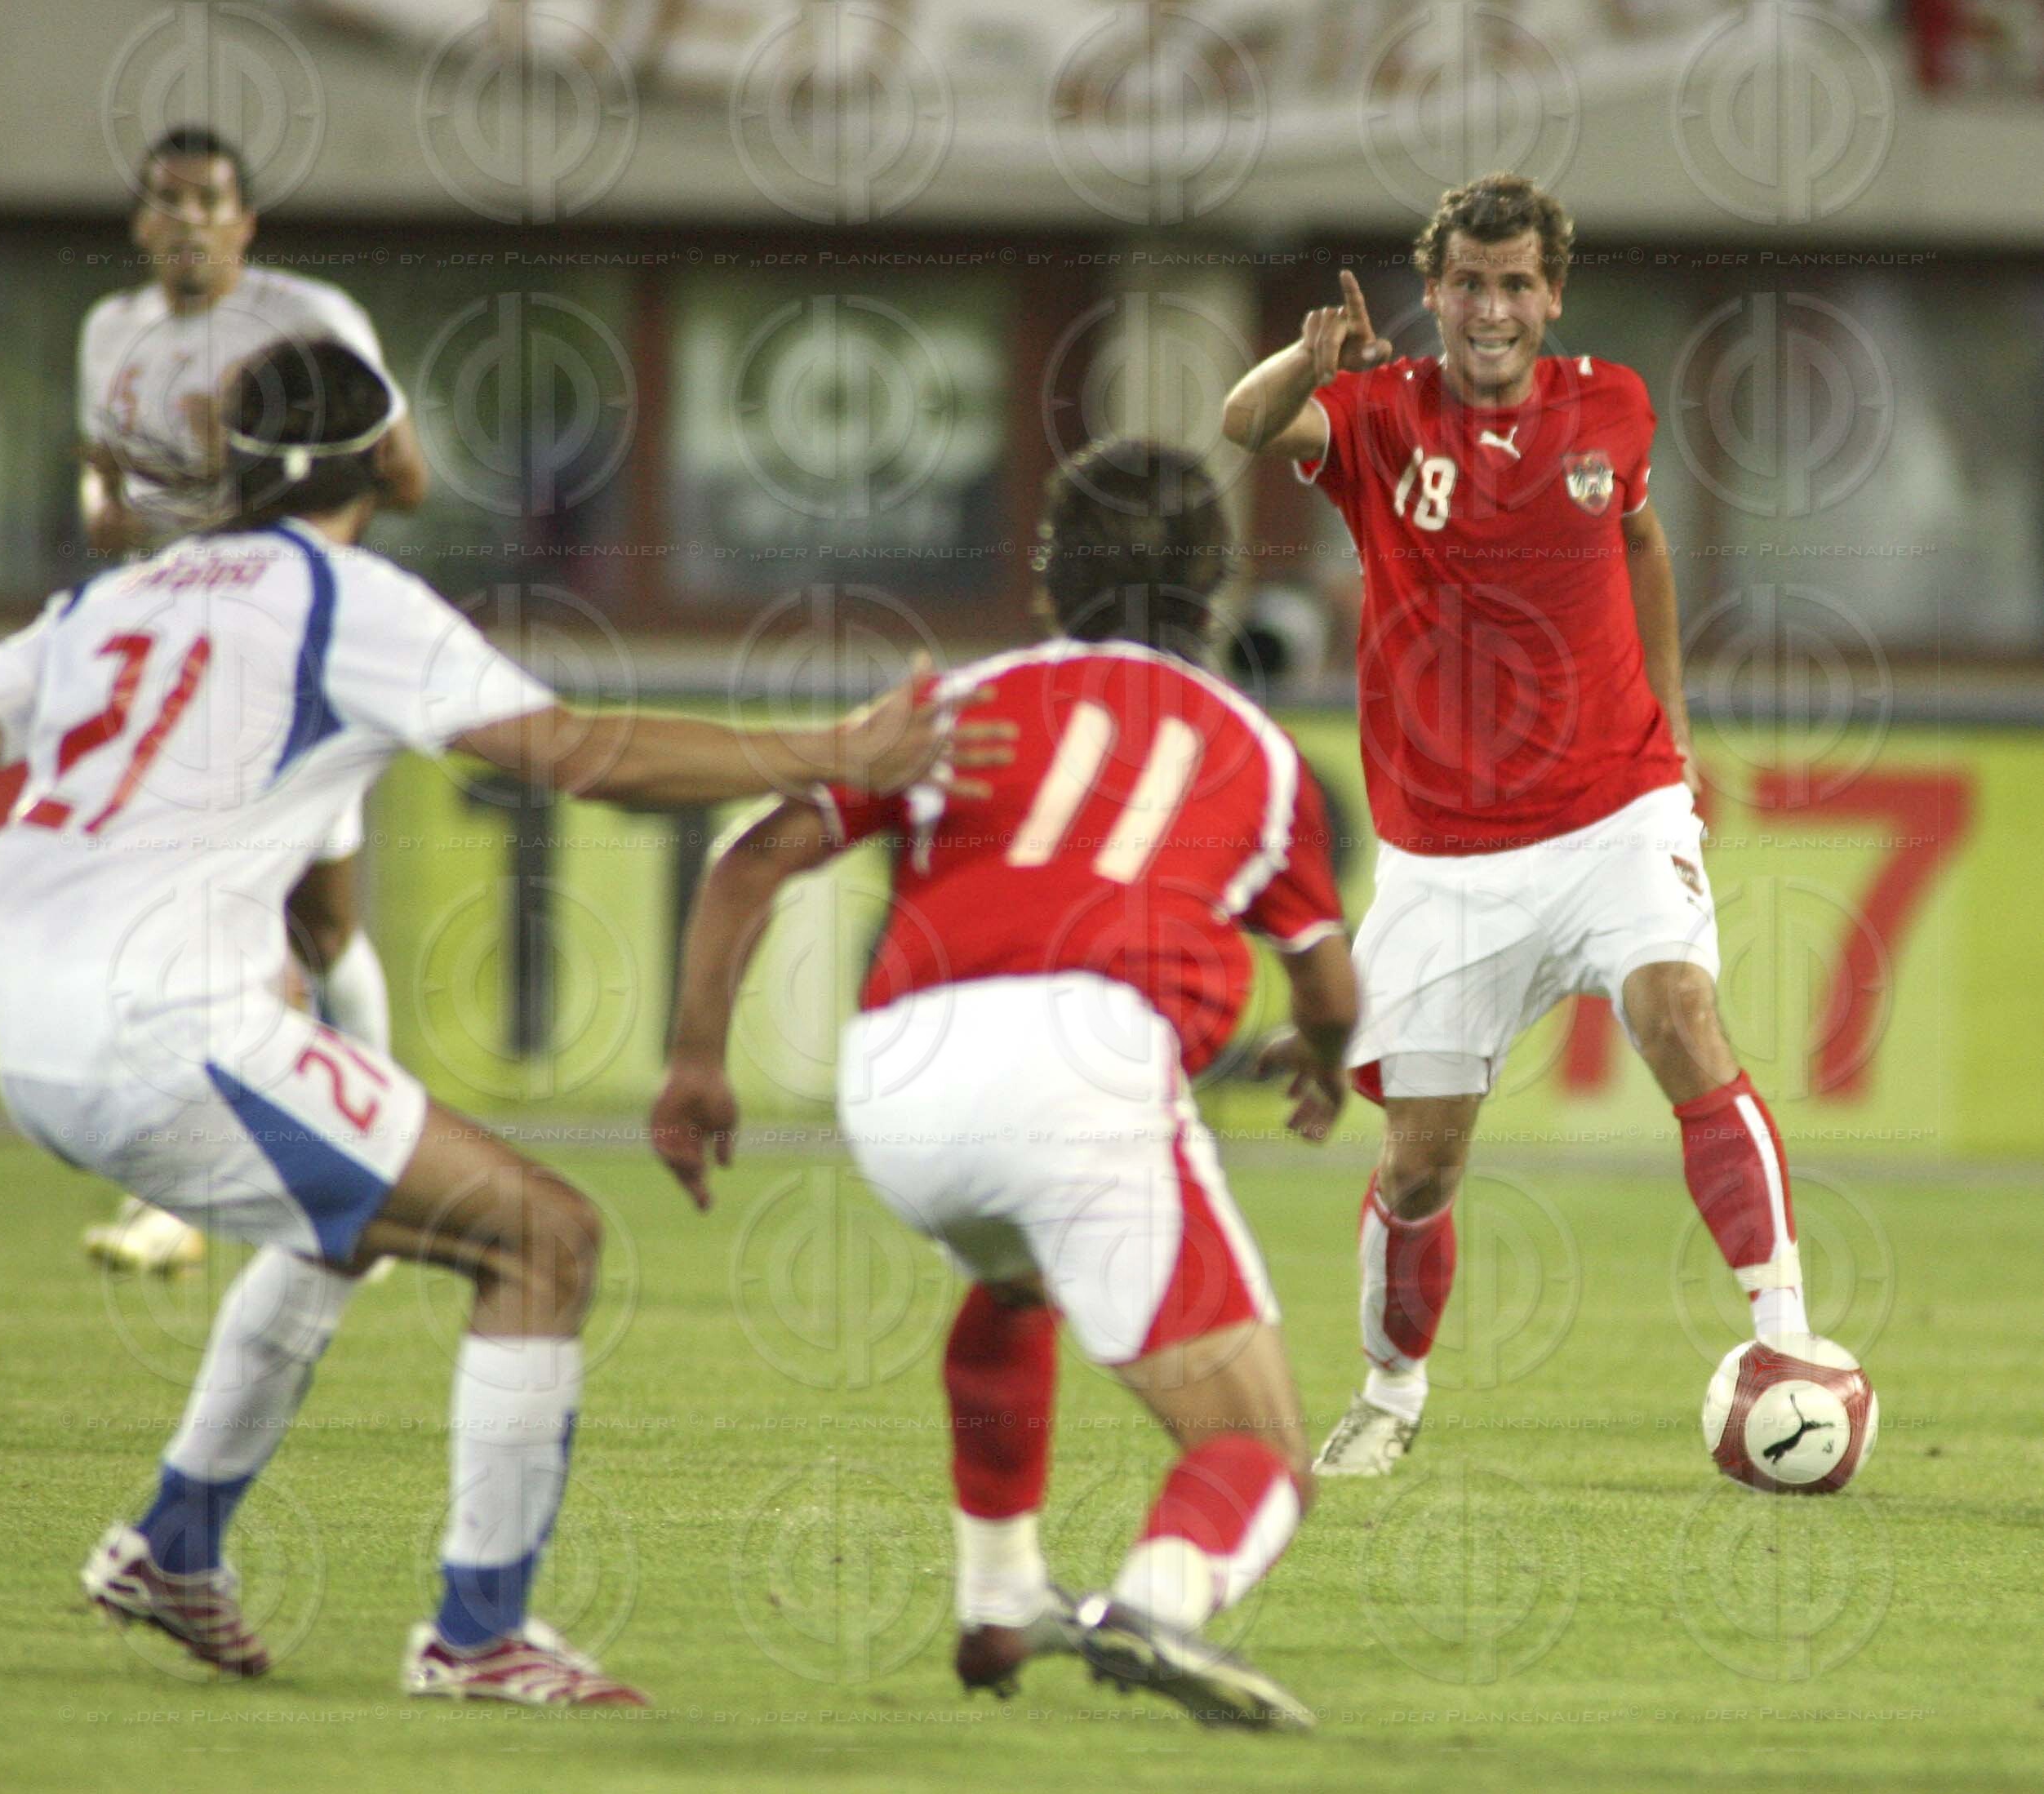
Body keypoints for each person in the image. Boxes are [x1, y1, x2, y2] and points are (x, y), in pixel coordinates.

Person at [0, 337, 1004, 1705]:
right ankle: (476, 1634)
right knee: (543, 1235)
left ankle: (175, 1544)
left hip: (20, 1010)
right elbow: (581, 757)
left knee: (348, 1229)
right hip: (152, 1027)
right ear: (382, 452)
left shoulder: (117, 597)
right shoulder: (347, 597)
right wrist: (830, 752)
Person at [650, 440, 1358, 1730]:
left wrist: (696, 1062)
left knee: (1010, 1281)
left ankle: (997, 1596)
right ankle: (1159, 1600)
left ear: (1044, 583)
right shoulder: (1258, 756)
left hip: (896, 1078)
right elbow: (1327, 982)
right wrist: (1317, 1062)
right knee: (1253, 1447)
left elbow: (749, 864)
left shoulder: (952, 701)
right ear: (1211, 596)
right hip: (1079, 1064)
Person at [1220, 173, 1808, 1477]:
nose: (1491, 309)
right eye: (1468, 284)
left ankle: (1792, 1342)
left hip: (1613, 805)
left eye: (1515, 283)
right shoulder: (1377, 414)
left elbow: (1641, 540)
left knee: (1680, 1013)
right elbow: (1245, 422)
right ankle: (1390, 1386)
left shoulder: (1613, 403)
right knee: (1421, 1165)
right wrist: (1303, 359)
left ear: (1551, 291)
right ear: (1433, 293)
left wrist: (1671, 722)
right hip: (1445, 858)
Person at [76, 125, 425, 1273]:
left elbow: (406, 476)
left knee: (316, 926)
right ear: (139, 223)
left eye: (207, 201)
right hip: (178, 654)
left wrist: (281, 482)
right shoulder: (109, 333)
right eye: (164, 201)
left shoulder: (307, 322)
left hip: (289, 645)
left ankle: (352, 1170)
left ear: (245, 222)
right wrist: (104, 504)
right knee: (236, 915)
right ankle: (241, 1192)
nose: (185, 220)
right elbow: (101, 461)